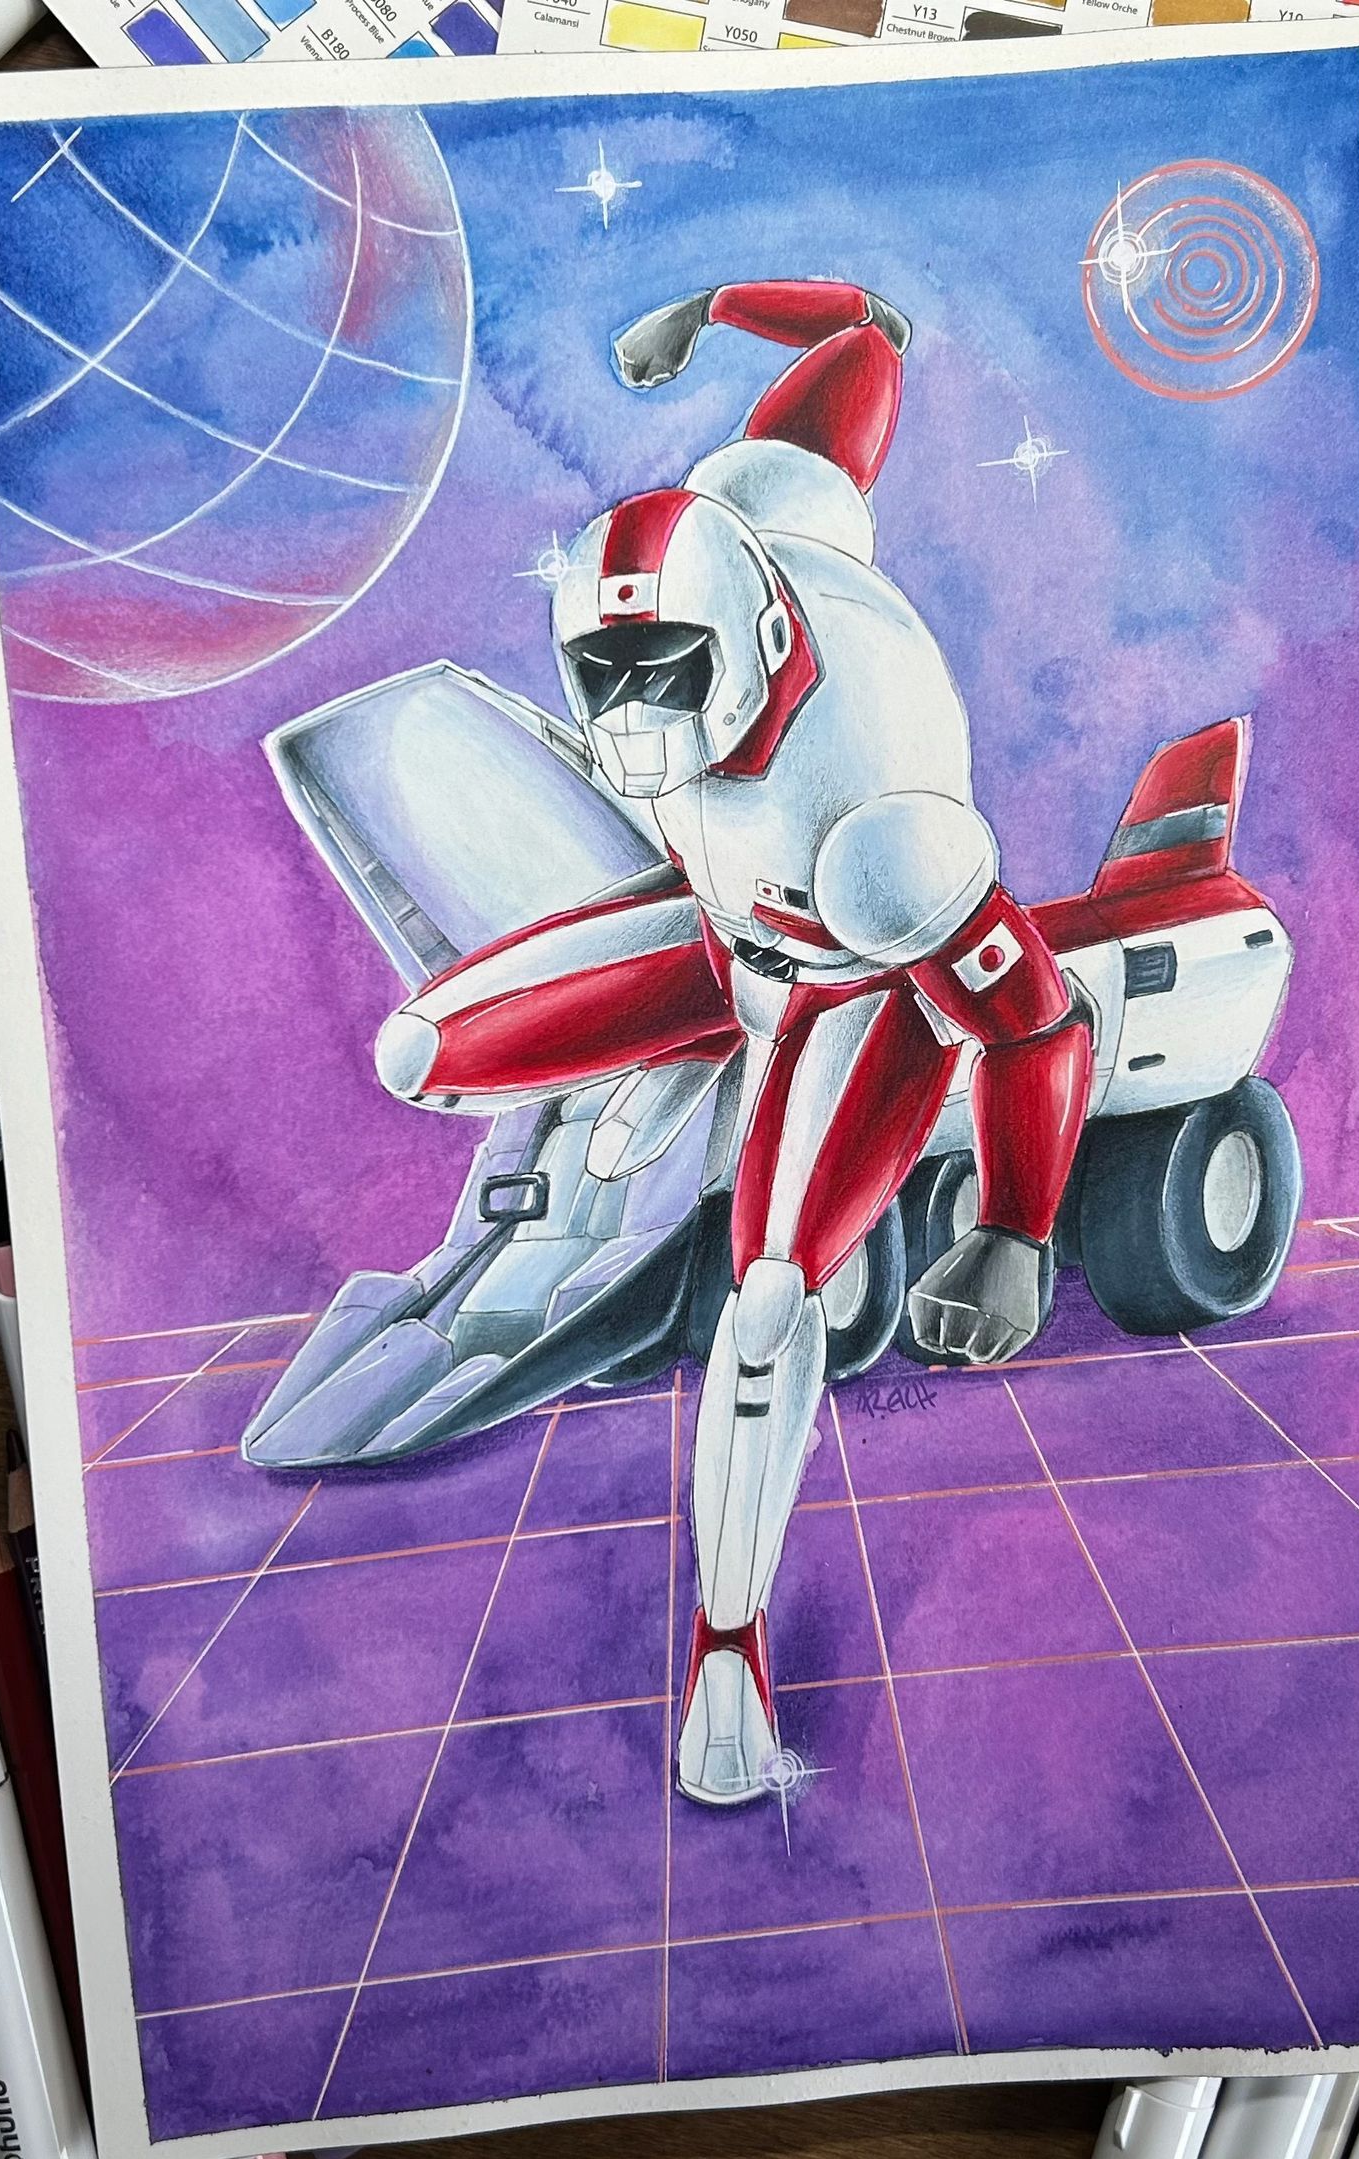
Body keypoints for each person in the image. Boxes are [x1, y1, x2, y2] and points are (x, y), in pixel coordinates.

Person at [375, 279, 1091, 1807]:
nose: (635, 711)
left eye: (669, 671)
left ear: (762, 634)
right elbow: (871, 334)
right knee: (419, 1051)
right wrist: (702, 312)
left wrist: (1015, 1227)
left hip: (844, 973)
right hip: (718, 929)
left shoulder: (879, 823)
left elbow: (1033, 1020)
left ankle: (727, 1653)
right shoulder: (767, 508)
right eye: (608, 673)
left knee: (768, 1307)